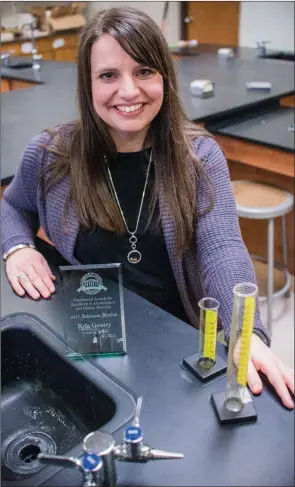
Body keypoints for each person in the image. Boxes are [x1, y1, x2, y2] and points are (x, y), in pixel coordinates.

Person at [1, 7, 293, 408]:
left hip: (172, 346)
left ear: (164, 77)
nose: (128, 91)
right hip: (86, 335)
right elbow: (13, 207)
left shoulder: (199, 157)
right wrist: (17, 247)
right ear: (87, 85)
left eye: (143, 71)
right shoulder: (52, 154)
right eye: (108, 75)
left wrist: (245, 332)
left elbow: (222, 246)